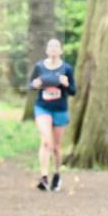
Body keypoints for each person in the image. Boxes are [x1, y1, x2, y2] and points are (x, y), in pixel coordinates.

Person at [29, 38, 76, 191]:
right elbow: (31, 84)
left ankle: (56, 174)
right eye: (51, 46)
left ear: (61, 51)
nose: (53, 49)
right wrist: (35, 84)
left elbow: (73, 91)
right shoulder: (39, 66)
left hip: (60, 109)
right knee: (46, 142)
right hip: (42, 108)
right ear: (46, 50)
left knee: (56, 147)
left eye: (56, 46)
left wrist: (66, 84)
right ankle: (43, 177)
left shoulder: (67, 68)